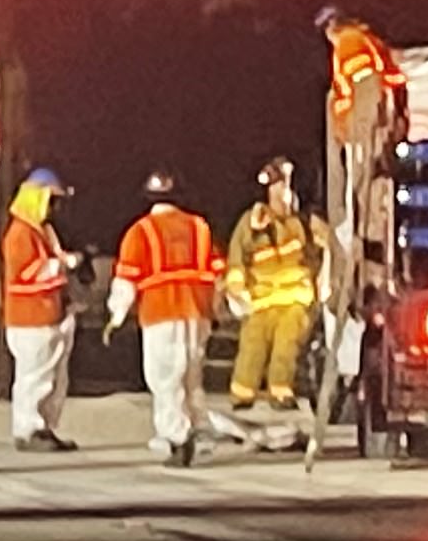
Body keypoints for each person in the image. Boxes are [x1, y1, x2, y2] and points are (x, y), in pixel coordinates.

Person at [107, 171, 223, 467]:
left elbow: (126, 281)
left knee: (165, 379)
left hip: (160, 315)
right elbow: (217, 275)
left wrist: (116, 316)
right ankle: (199, 430)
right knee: (192, 378)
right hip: (197, 313)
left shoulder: (140, 231)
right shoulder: (199, 227)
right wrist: (217, 310)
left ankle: (177, 438)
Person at [224, 158, 327, 433]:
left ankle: (280, 392)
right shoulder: (251, 223)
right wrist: (237, 290)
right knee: (252, 345)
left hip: (295, 300)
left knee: (286, 345)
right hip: (261, 300)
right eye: (276, 187)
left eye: (283, 186)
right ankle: (242, 394)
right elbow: (237, 259)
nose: (280, 193)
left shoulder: (304, 222)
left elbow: (328, 245)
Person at [0, 167, 77, 451]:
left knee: (52, 377)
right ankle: (28, 429)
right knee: (34, 377)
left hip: (49, 315)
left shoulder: (42, 231)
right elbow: (27, 273)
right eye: (51, 200)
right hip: (30, 319)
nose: (55, 208)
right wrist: (62, 265)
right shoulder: (20, 234)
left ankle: (44, 428)